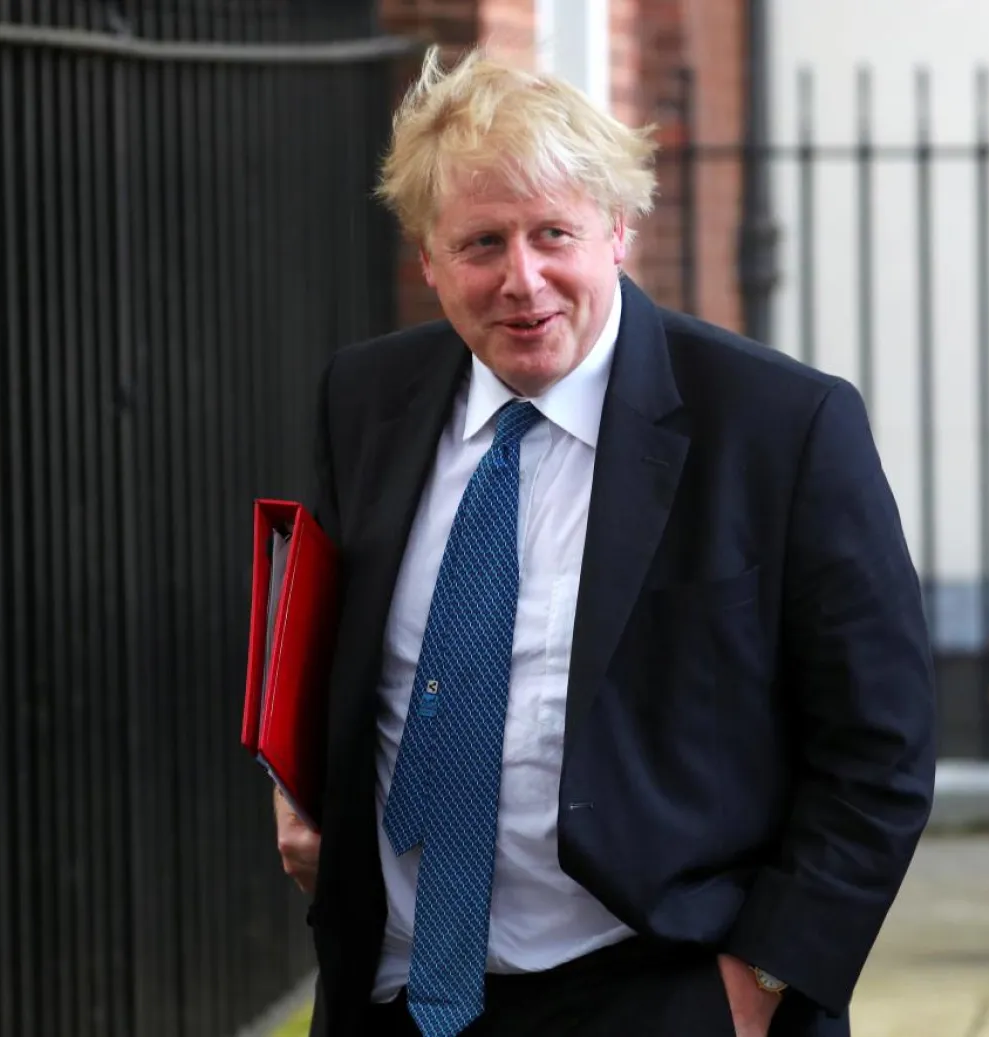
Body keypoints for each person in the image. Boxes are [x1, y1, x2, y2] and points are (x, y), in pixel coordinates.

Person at [272, 45, 936, 1037]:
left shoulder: (778, 426)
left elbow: (881, 743)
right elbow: (329, 643)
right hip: (395, 991)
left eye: (554, 234)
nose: (523, 280)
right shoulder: (364, 399)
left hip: (658, 988)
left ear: (619, 230)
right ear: (427, 258)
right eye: (482, 243)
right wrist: (292, 783)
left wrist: (759, 981)